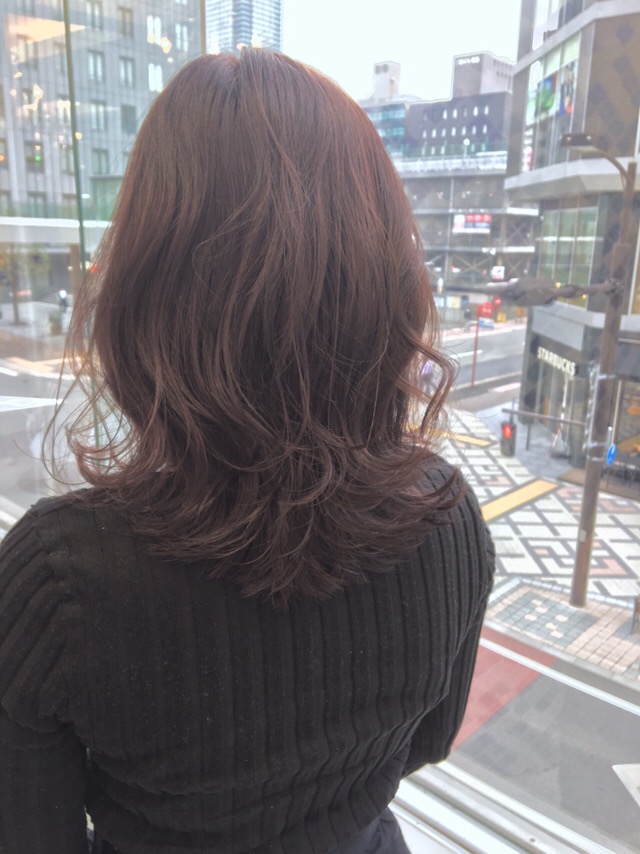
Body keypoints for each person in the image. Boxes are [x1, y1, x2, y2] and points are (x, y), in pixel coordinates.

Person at [0, 51, 494, 853]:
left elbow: (29, 831)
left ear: (146, 295)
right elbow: (425, 744)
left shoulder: (57, 579)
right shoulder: (448, 516)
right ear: (383, 283)